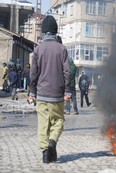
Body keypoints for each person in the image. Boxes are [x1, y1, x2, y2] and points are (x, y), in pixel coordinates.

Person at [29, 15, 71, 164]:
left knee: (43, 124)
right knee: (58, 120)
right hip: (57, 95)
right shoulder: (62, 49)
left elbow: (33, 73)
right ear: (55, 30)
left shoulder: (38, 49)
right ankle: (52, 142)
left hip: (41, 94)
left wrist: (32, 92)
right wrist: (67, 91)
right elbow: (67, 72)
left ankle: (45, 153)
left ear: (44, 31)